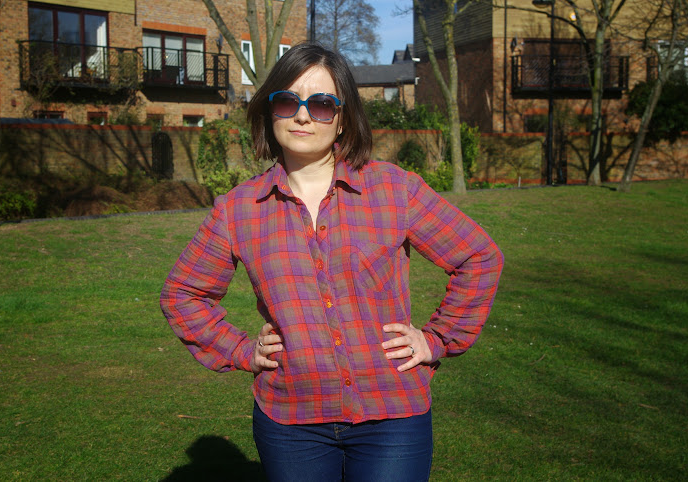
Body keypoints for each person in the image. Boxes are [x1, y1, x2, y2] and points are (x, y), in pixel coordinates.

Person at [161, 43, 504, 481]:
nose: (303, 116)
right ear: (270, 111)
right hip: (291, 423)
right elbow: (184, 294)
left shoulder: (393, 189)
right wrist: (240, 350)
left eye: (322, 104)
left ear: (342, 118)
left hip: (393, 414)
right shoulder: (238, 209)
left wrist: (438, 338)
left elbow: (478, 256)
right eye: (288, 101)